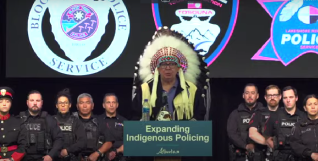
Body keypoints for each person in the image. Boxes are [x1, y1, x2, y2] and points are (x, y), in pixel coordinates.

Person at [131, 26, 209, 161]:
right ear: (157, 68)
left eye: (172, 64)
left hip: (184, 147)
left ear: (179, 67)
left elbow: (199, 117)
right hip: (152, 147)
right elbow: (134, 118)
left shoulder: (192, 90)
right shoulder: (144, 90)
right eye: (164, 64)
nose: (168, 67)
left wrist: (184, 130)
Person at [264, 86, 307, 161]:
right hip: (280, 156)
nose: (288, 100)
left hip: (299, 156)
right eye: (285, 98)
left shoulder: (304, 117)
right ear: (282, 99)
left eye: (291, 97)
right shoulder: (274, 116)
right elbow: (266, 135)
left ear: (296, 98)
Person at [19, 90, 64, 161]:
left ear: (42, 102)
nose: (34, 103)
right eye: (32, 100)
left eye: (37, 100)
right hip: (23, 158)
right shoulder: (19, 119)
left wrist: (51, 155)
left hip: (43, 158)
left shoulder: (49, 119)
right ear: (27, 102)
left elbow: (59, 139)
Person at [227, 83, 266, 161]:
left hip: (261, 154)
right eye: (247, 93)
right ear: (243, 95)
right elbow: (231, 133)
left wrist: (257, 145)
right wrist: (246, 146)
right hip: (240, 155)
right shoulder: (235, 113)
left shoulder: (265, 113)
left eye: (252, 93)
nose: (250, 96)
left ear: (257, 96)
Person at [74, 93, 113, 161]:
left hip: (95, 157)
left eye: (88, 103)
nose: (85, 106)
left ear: (92, 105)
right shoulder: (72, 121)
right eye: (81, 103)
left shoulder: (100, 121)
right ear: (77, 106)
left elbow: (109, 142)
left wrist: (97, 153)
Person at [290, 94, 318, 161]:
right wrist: (310, 154)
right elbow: (295, 144)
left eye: (315, 104)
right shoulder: (299, 125)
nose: (313, 107)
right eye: (310, 104)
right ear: (305, 108)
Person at [248, 85, 281, 161]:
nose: (272, 98)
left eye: (275, 95)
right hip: (262, 155)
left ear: (280, 97)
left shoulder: (285, 113)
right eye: (269, 95)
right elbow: (252, 133)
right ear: (265, 97)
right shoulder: (258, 113)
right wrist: (268, 143)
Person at [53, 88, 87, 161]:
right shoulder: (51, 120)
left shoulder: (76, 121)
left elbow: (82, 142)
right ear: (56, 105)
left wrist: (67, 150)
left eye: (65, 103)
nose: (63, 105)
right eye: (60, 103)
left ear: (70, 105)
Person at [0, 87, 28, 161]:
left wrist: (12, 159)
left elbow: (23, 145)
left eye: (7, 101)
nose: (4, 104)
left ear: (11, 104)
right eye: (1, 101)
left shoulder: (18, 121)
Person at [97, 93, 127, 161]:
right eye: (108, 102)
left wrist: (117, 151)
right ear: (103, 105)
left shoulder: (125, 121)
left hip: (120, 157)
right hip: (101, 157)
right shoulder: (97, 120)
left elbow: (131, 142)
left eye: (114, 102)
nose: (111, 105)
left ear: (117, 105)